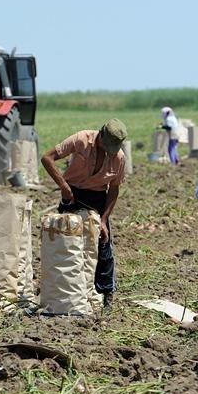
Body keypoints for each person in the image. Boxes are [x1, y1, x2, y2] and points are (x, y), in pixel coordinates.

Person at [41, 119, 127, 311]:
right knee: (66, 242)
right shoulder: (81, 140)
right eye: (107, 146)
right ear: (101, 136)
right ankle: (63, 291)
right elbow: (47, 158)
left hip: (97, 198)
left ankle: (105, 293)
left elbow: (114, 189)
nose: (109, 152)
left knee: (103, 245)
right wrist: (63, 186)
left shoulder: (119, 157)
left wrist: (103, 220)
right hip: (72, 193)